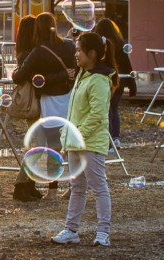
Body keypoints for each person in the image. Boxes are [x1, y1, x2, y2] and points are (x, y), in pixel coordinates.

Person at [50, 32, 117, 247]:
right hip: (77, 141)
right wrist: (67, 136)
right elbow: (74, 112)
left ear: (92, 53)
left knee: (98, 187)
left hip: (90, 142)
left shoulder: (98, 79)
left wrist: (77, 135)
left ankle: (103, 232)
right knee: (77, 186)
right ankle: (71, 230)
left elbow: (97, 115)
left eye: (79, 50)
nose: (75, 54)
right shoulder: (83, 75)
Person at [11, 12, 77, 201]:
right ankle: (22, 185)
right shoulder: (37, 51)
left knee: (43, 145)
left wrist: (58, 76)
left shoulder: (38, 50)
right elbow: (26, 77)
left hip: (47, 103)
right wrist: (64, 75)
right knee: (41, 145)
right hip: (48, 103)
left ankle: (27, 185)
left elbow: (21, 77)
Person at [11, 15, 43, 202]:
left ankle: (29, 185)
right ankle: (20, 185)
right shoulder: (29, 54)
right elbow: (21, 76)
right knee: (36, 145)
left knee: (38, 144)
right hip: (34, 104)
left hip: (37, 103)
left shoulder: (24, 52)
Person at [94, 18, 136, 150]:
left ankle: (109, 140)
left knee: (106, 109)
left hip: (103, 80)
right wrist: (132, 84)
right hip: (119, 81)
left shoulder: (98, 45)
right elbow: (127, 66)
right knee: (114, 108)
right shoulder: (119, 43)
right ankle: (116, 138)